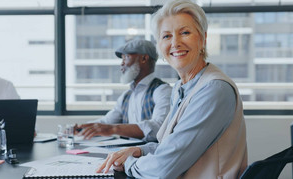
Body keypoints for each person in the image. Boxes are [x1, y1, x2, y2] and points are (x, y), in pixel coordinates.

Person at [96, 0, 248, 178]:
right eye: (166, 36)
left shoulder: (214, 89)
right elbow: (169, 145)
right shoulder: (181, 88)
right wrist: (137, 150)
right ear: (159, 45)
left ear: (203, 38)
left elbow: (163, 168)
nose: (175, 43)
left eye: (185, 33)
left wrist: (127, 163)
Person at [77, 39, 172, 142]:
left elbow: (159, 127)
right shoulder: (126, 96)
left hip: (150, 155)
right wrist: (80, 128)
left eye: (126, 57)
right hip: (126, 154)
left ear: (144, 58)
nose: (122, 64)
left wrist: (113, 129)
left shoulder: (162, 91)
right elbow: (106, 122)